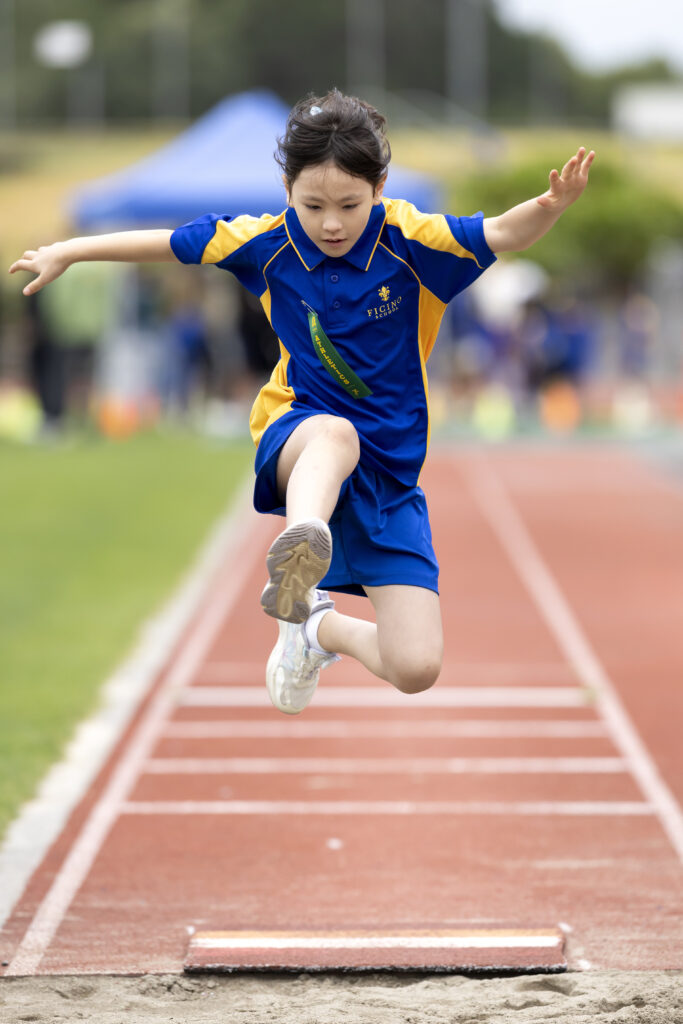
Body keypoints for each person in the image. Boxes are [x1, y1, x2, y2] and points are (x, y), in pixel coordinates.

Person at [9, 89, 594, 715]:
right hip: (298, 433)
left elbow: (504, 232)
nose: (332, 223)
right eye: (313, 205)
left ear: (381, 187)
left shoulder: (412, 240)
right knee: (335, 433)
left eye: (350, 204)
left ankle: (314, 627)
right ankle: (302, 544)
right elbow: (170, 241)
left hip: (389, 472)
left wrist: (552, 205)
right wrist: (68, 250)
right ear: (286, 188)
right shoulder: (264, 243)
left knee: (416, 665)